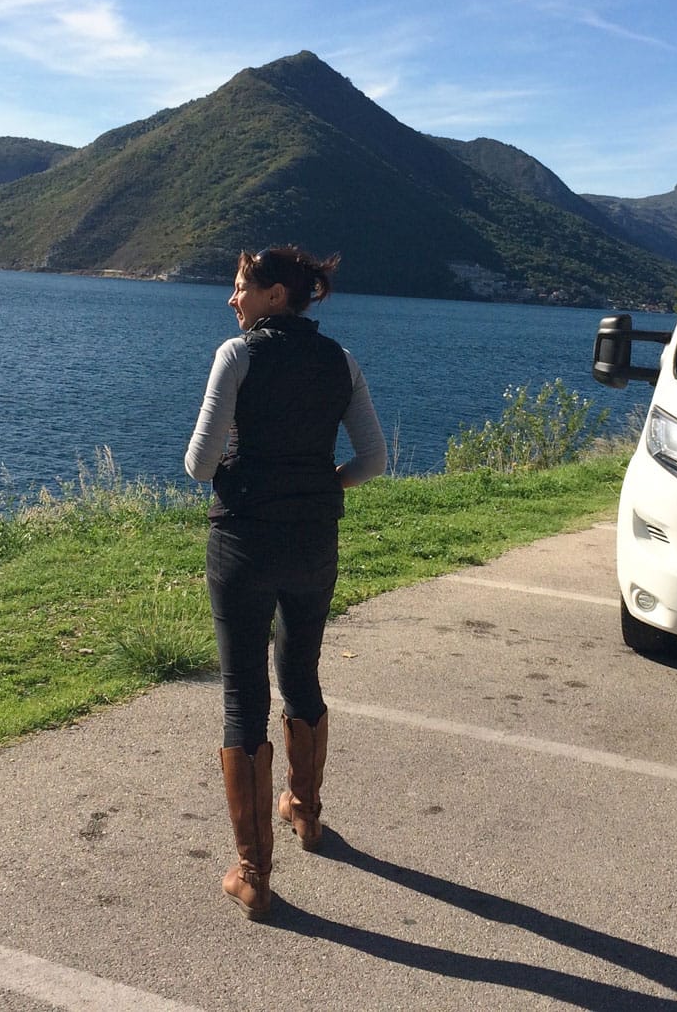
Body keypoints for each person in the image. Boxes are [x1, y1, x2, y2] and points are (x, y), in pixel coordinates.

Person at [184, 244, 387, 920]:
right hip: (313, 541)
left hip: (244, 540)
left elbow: (199, 461)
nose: (232, 299)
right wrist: (324, 483)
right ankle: (306, 812)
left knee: (244, 692)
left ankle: (254, 874)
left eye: (240, 286)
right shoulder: (342, 360)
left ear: (274, 295)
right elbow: (374, 460)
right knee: (300, 671)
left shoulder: (236, 355)